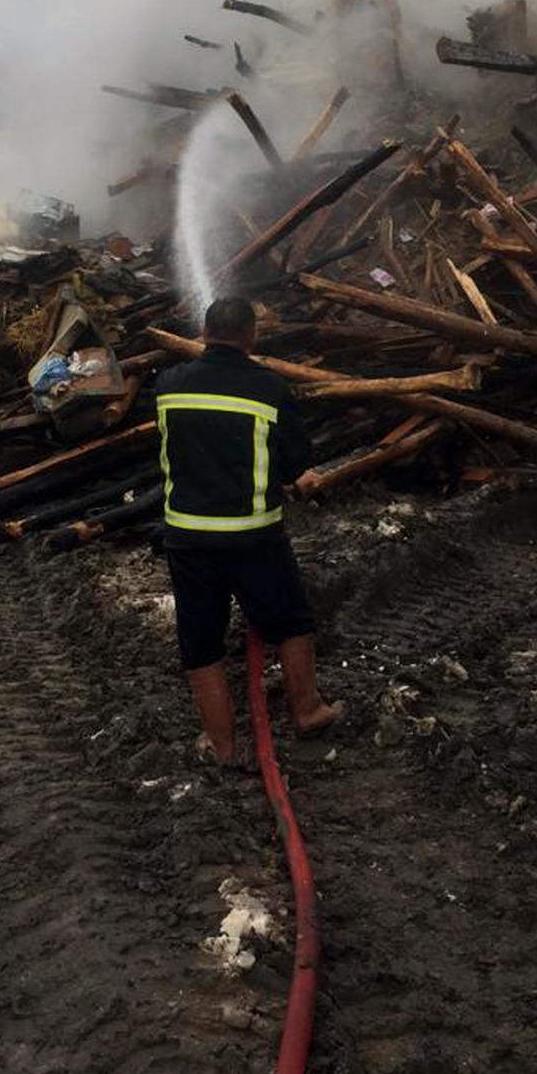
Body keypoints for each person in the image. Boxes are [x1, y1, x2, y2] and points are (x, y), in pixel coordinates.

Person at [155, 295, 341, 763]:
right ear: (252, 337)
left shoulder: (169, 385)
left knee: (201, 641)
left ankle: (220, 745)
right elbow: (294, 464)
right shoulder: (271, 390)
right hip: (253, 535)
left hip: (188, 536)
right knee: (292, 622)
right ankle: (309, 710)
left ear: (204, 332)